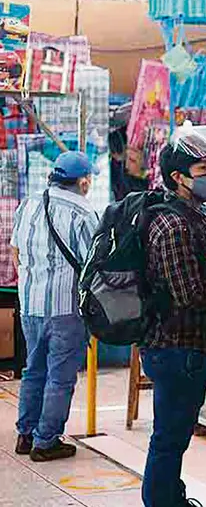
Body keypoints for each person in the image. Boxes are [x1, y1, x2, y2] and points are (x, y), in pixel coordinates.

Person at [140, 124, 206, 507]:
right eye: (202, 171)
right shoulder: (173, 224)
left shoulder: (192, 214)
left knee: (175, 436)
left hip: (189, 347)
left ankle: (172, 497)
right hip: (175, 347)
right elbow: (190, 293)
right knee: (168, 439)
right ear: (178, 178)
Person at [10, 151, 98, 462]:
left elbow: (15, 253)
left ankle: (25, 434)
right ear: (83, 181)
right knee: (60, 376)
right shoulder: (84, 213)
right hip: (65, 308)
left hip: (30, 305)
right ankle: (46, 442)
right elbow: (94, 264)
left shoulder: (30, 203)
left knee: (33, 369)